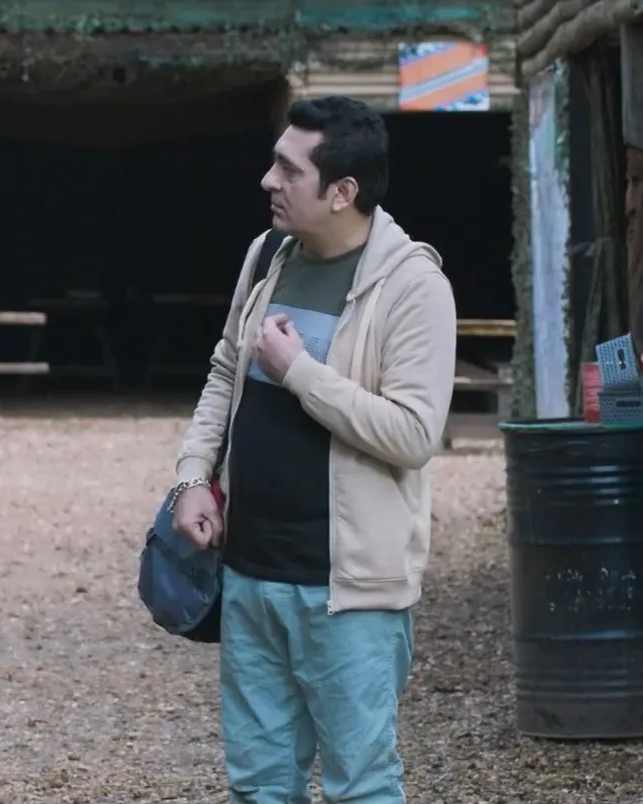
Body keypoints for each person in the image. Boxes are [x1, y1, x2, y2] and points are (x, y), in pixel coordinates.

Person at [169, 95, 458, 803]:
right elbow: (224, 371)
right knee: (259, 785)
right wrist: (193, 476)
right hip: (249, 573)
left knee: (361, 786)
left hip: (349, 592)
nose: (268, 181)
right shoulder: (266, 255)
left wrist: (300, 372)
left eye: (289, 169)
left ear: (342, 192)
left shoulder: (414, 286)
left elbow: (414, 434)